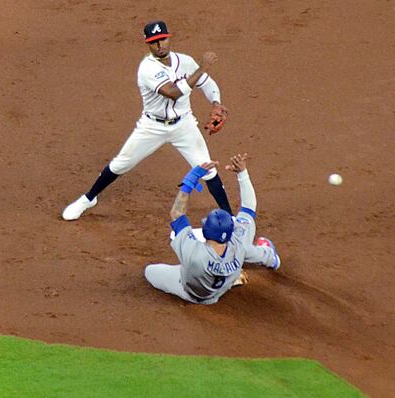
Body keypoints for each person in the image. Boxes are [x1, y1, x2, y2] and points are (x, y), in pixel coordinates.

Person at [62, 20, 232, 221]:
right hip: (152, 126)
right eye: (154, 42)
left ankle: (231, 217)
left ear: (169, 38)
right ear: (147, 44)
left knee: (207, 169)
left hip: (184, 125)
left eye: (162, 39)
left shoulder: (185, 62)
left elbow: (207, 84)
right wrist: (202, 67)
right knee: (120, 165)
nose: (160, 45)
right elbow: (173, 93)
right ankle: (89, 198)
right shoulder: (147, 68)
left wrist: (216, 103)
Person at [144, 153, 280, 305]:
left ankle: (238, 275)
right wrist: (242, 173)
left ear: (205, 232)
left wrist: (190, 181)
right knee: (249, 251)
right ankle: (270, 259)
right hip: (218, 290)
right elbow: (249, 208)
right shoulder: (238, 241)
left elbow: (177, 213)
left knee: (149, 271)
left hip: (188, 290)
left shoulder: (193, 253)